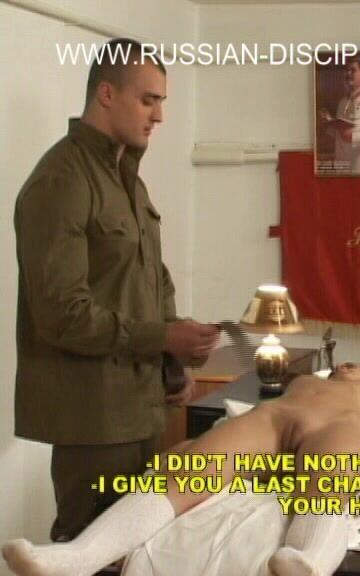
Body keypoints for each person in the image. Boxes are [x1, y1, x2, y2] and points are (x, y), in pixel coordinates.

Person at [13, 37, 220, 543]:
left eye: (161, 102)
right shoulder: (61, 179)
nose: (159, 116)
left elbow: (152, 280)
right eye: (148, 100)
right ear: (106, 94)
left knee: (141, 552)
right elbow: (62, 314)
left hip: (144, 410)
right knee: (89, 551)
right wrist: (164, 339)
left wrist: (172, 363)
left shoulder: (128, 180)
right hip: (94, 420)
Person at [3, 363, 360, 576]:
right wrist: (193, 446)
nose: (348, 366)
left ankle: (306, 560)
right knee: (186, 472)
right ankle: (76, 557)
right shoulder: (310, 379)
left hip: (341, 427)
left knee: (327, 486)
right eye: (343, 365)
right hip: (274, 418)